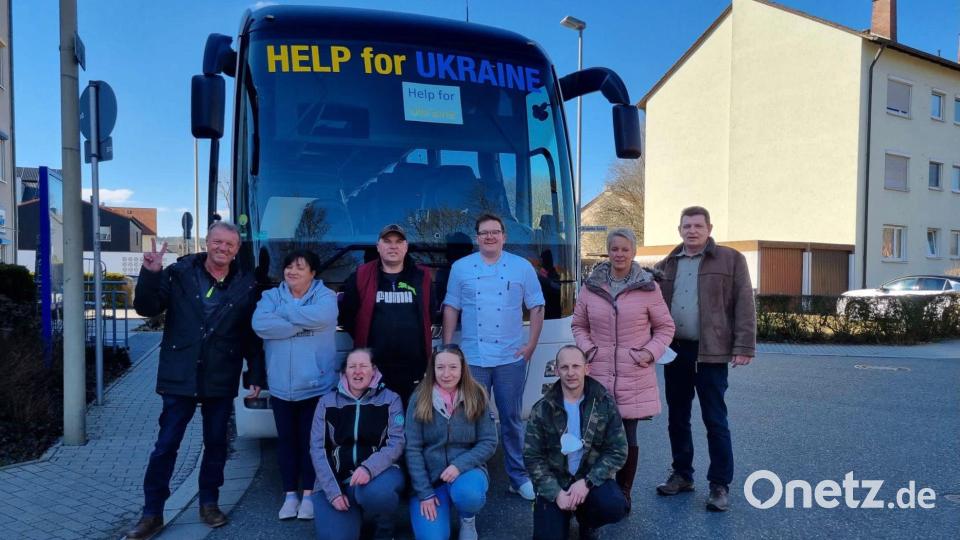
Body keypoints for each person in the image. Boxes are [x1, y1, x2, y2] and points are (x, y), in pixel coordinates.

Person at [125, 222, 265, 539]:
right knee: (166, 447)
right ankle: (152, 513)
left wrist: (255, 373)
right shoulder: (179, 273)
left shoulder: (246, 284)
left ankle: (209, 503)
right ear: (207, 242)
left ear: (237, 249)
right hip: (181, 373)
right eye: (218, 242)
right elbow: (147, 308)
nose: (223, 248)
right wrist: (150, 273)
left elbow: (250, 335)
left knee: (216, 444)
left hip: (220, 373)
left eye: (230, 244)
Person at [653, 206, 756, 512]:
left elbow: (744, 304)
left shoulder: (731, 259)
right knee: (677, 417)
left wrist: (744, 346)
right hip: (676, 352)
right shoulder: (666, 264)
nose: (692, 230)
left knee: (715, 420)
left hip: (712, 352)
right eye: (687, 226)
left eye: (698, 225)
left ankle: (719, 485)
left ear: (709, 228)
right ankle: (682, 474)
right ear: (679, 229)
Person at [571, 228, 675, 512]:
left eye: (624, 249)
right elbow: (578, 324)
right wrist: (588, 349)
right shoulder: (591, 287)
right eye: (614, 248)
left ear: (634, 252)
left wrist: (648, 353)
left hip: (634, 373)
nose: (619, 254)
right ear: (608, 251)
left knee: (628, 438)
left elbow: (665, 327)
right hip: (598, 372)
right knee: (594, 436)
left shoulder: (648, 287)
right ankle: (595, 491)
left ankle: (623, 492)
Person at [442, 213, 545, 500]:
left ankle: (518, 476)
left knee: (512, 417)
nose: (490, 236)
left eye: (495, 232)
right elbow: (451, 307)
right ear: (477, 237)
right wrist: (447, 348)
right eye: (484, 232)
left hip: (510, 356)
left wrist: (531, 345)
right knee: (472, 416)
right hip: (473, 357)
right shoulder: (461, 268)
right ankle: (473, 473)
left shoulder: (521, 267)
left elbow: (537, 306)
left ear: (504, 236)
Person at [252, 249, 339, 520]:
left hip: (314, 386)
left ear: (313, 273)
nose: (292, 271)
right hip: (280, 387)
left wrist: (286, 315)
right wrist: (303, 322)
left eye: (300, 267)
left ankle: (310, 495)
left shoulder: (326, 297)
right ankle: (290, 495)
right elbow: (260, 324)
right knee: (286, 443)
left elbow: (323, 318)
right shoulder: (270, 296)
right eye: (289, 266)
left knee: (312, 443)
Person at [524, 346, 629, 540]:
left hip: (588, 480)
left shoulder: (604, 403)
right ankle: (558, 513)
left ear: (586, 369)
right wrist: (556, 493)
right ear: (556, 370)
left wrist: (588, 482)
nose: (570, 373)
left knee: (614, 505)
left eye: (576, 366)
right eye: (564, 367)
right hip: (556, 482)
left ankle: (588, 521)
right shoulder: (542, 409)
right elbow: (533, 458)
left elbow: (618, 451)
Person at [310, 349, 406, 540]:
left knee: (378, 494)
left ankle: (384, 527)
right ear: (344, 371)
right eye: (352, 366)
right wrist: (333, 493)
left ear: (374, 370)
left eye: (363, 366)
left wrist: (368, 468)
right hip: (338, 481)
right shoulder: (326, 403)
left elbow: (396, 442)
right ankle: (353, 517)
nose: (357, 371)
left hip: (378, 475)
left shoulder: (390, 399)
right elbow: (318, 449)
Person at [405, 344, 498, 540]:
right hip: (431, 479)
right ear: (433, 369)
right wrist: (424, 493)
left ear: (463, 368)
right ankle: (438, 503)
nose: (446, 374)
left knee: (468, 494)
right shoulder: (419, 397)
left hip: (466, 471)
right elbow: (412, 449)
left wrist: (459, 465)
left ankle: (467, 518)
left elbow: (488, 441)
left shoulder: (478, 394)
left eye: (453, 367)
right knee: (433, 537)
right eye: (440, 367)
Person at [340, 224, 433, 405]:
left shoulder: (422, 276)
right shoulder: (360, 275)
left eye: (399, 242)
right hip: (373, 368)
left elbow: (429, 312)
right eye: (387, 241)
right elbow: (347, 317)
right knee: (376, 423)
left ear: (406, 247)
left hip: (413, 368)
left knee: (409, 422)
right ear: (378, 247)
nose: (393, 246)